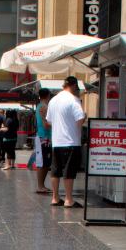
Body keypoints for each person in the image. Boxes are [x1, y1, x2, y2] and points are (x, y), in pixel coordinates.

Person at [46, 75, 86, 207]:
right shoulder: (74, 100)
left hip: (57, 141)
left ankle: (55, 198)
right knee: (69, 171)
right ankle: (69, 200)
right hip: (71, 141)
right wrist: (78, 127)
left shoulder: (53, 100)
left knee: (55, 170)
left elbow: (49, 121)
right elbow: (80, 118)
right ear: (74, 86)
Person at [34, 89, 53, 193]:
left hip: (44, 137)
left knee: (45, 163)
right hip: (44, 137)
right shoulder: (44, 107)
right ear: (48, 95)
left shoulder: (40, 106)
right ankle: (40, 186)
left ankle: (42, 185)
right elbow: (46, 124)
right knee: (42, 162)